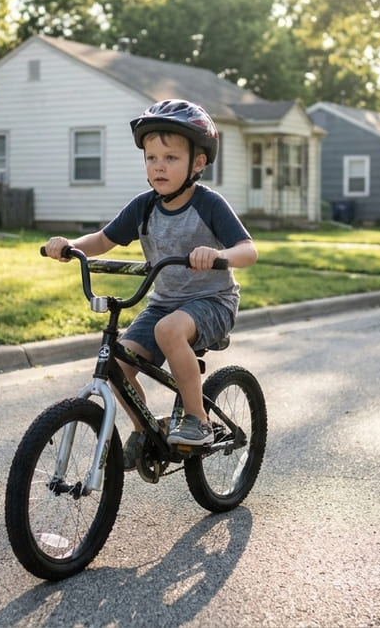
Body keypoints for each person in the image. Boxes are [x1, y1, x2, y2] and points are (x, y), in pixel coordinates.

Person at [43, 99, 258, 469]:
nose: (159, 165)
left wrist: (218, 255)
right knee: (119, 361)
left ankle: (198, 420)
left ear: (198, 163)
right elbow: (104, 239)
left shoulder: (209, 205)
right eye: (151, 157)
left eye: (171, 158)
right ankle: (146, 431)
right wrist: (69, 247)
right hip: (164, 301)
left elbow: (248, 250)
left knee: (169, 330)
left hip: (213, 301)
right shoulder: (143, 206)